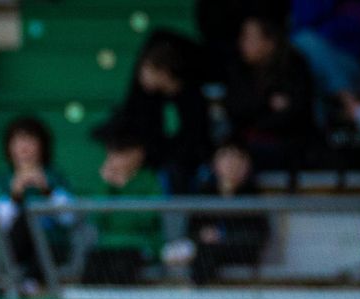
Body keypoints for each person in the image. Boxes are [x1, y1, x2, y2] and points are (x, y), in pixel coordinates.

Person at [93, 30, 212, 193]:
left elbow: (192, 142)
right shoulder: (146, 100)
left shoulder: (193, 100)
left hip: (186, 169)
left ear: (164, 72)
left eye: (148, 69)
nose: (141, 75)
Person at [0, 116, 75, 293]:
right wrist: (15, 195)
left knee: (35, 224)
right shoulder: (2, 181)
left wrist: (47, 190)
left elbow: (69, 218)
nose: (24, 147)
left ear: (42, 146)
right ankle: (13, 277)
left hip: (52, 250)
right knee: (24, 221)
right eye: (18, 141)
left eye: (30, 140)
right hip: (16, 252)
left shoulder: (55, 178)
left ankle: (27, 280)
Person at [225, 15, 317, 177]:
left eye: (248, 37)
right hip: (245, 143)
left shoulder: (293, 67)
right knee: (228, 159)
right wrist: (266, 103)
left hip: (289, 147)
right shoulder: (238, 69)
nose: (241, 42)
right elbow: (235, 109)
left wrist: (255, 116)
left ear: (269, 43)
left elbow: (295, 114)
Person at [82, 131, 164, 285]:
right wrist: (107, 185)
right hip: (107, 247)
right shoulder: (106, 183)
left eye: (121, 153)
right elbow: (96, 218)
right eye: (112, 153)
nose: (114, 159)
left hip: (139, 246)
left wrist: (123, 187)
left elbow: (147, 219)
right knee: (91, 272)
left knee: (121, 270)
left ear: (138, 154)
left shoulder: (149, 180)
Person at [183, 141, 270, 284]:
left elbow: (259, 234)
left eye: (238, 158)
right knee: (202, 252)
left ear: (247, 165)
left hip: (241, 252)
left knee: (207, 252)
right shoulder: (205, 194)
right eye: (226, 157)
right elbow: (191, 230)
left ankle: (195, 291)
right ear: (214, 163)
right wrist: (203, 234)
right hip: (208, 252)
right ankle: (195, 294)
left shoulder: (253, 196)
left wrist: (223, 237)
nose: (232, 164)